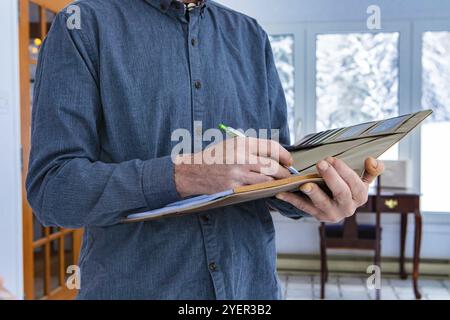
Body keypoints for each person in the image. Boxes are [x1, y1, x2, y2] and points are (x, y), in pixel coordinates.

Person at [26, 0, 384, 299]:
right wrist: (184, 175)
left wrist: (316, 194)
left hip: (251, 294)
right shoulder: (83, 26)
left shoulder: (250, 36)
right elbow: (52, 190)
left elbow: (272, 175)